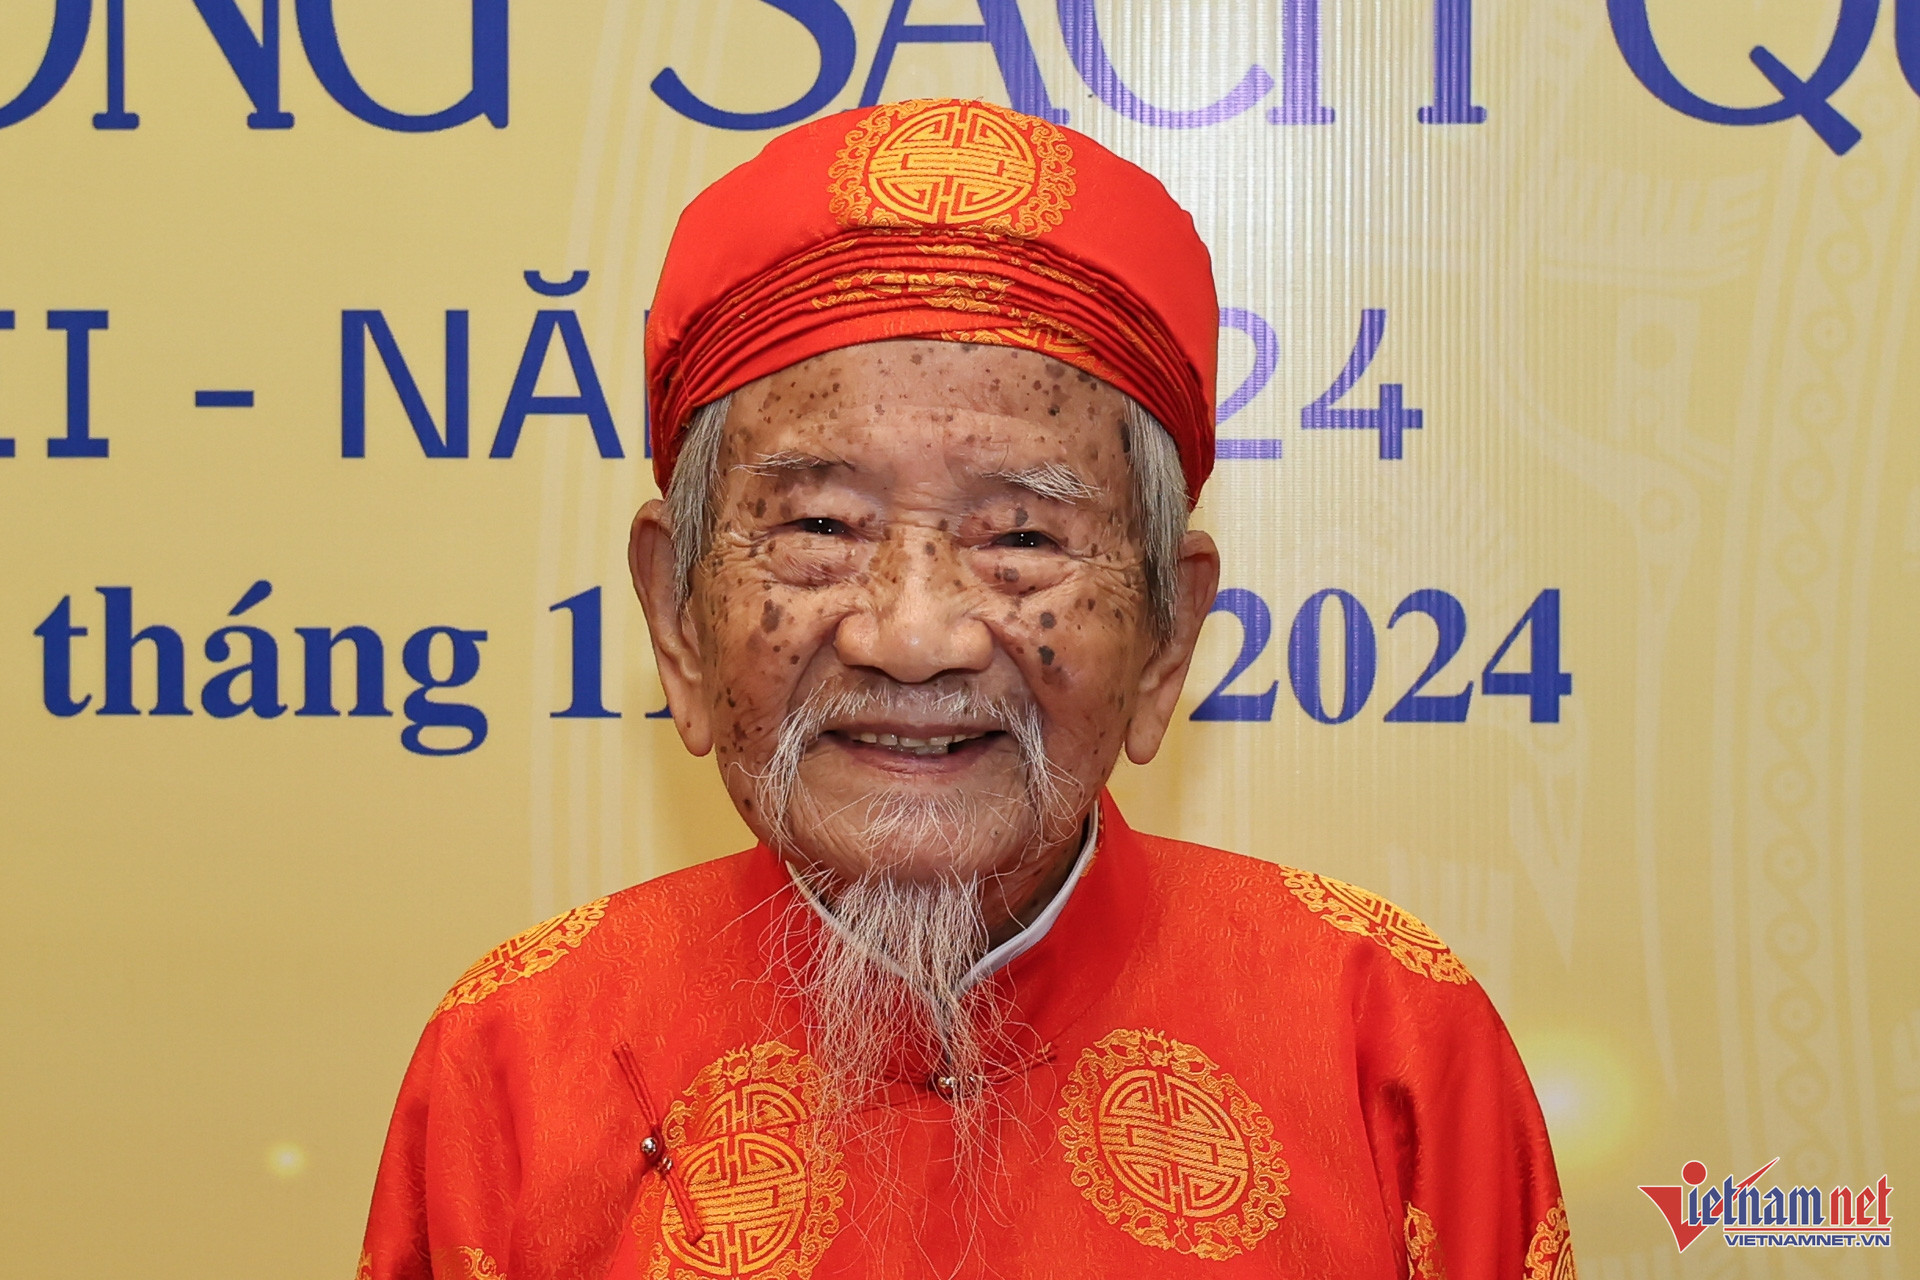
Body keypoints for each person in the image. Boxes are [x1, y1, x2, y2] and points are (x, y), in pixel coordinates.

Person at [357, 98, 1573, 1280]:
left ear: (1166, 634)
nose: (915, 632)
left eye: (1023, 538)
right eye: (821, 523)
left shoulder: (1390, 1047)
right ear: (678, 615)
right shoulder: (514, 1060)